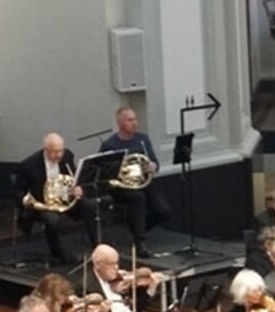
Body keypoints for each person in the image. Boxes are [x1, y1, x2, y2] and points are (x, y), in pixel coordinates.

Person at [97, 106, 170, 254]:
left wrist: (153, 166)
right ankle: (140, 241)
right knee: (138, 198)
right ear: (120, 123)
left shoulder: (143, 139)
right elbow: (104, 173)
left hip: (143, 182)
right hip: (122, 187)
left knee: (164, 211)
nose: (134, 123)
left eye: (135, 119)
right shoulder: (110, 145)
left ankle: (137, 227)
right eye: (129, 120)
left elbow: (154, 161)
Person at [18, 133, 100, 263]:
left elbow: (74, 178)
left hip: (65, 199)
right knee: (52, 219)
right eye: (55, 152)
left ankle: (98, 248)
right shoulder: (29, 165)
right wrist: (28, 202)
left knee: (89, 206)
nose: (59, 155)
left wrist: (77, 189)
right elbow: (19, 191)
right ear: (45, 150)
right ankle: (58, 253)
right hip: (43, 203)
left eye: (61, 151)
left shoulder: (67, 156)